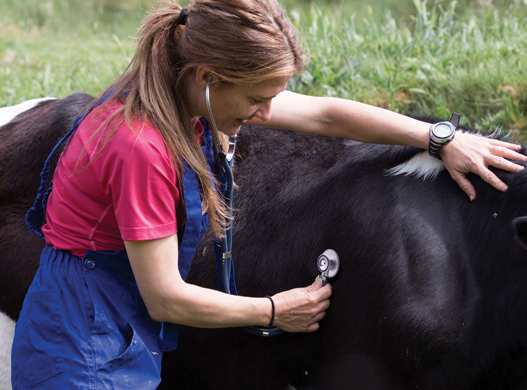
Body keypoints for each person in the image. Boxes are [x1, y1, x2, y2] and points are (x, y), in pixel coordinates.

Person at [11, 0, 527, 389]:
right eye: (258, 99)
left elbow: (325, 114)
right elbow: (164, 296)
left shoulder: (179, 92)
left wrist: (439, 138)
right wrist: (275, 311)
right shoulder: (140, 148)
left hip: (118, 327)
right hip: (81, 340)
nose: (266, 116)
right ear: (209, 77)